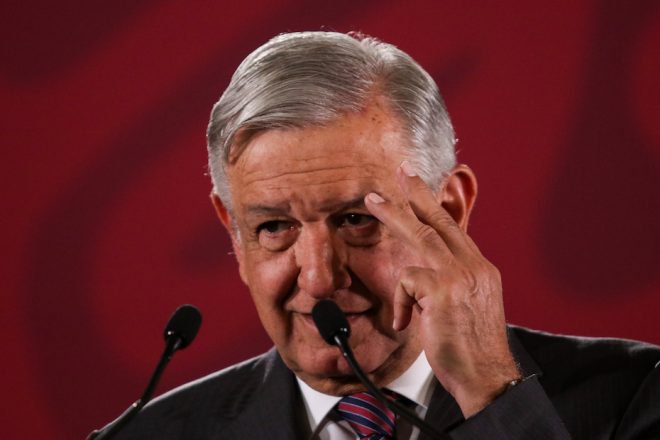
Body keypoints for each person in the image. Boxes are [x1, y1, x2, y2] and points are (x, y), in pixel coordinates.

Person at [111, 31, 660, 439]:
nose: (319, 279)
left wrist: (493, 393)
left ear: (449, 209)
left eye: (357, 220)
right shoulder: (153, 434)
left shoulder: (637, 395)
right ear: (234, 234)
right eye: (274, 227)